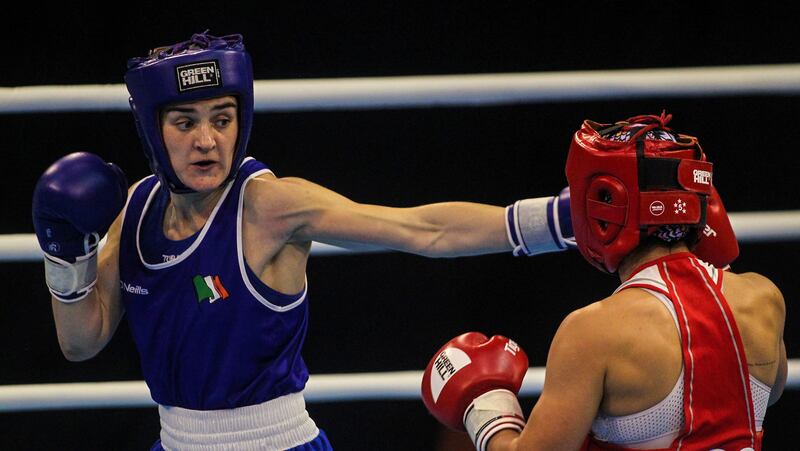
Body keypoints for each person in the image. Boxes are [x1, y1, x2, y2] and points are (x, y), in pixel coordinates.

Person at [31, 32, 576, 450]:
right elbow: (81, 341)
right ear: (153, 129)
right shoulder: (137, 209)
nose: (207, 140)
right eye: (185, 122)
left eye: (222, 119)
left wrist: (553, 221)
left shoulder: (268, 206)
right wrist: (65, 257)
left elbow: (420, 228)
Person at [422, 112, 788, 451]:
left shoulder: (592, 332)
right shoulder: (764, 299)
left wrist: (485, 404)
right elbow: (766, 393)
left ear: (601, 209)